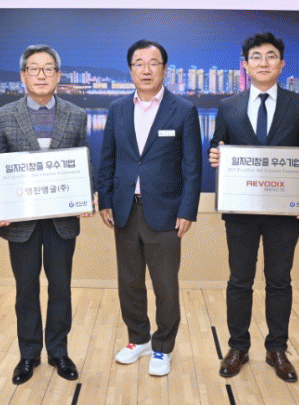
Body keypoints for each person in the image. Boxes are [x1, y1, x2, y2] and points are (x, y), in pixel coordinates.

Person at [208, 32, 299, 382]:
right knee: (239, 280)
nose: (264, 62)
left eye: (271, 56)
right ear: (246, 65)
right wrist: (215, 156)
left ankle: (277, 349)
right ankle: (237, 347)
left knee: (279, 281)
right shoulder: (228, 105)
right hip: (241, 211)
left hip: (284, 212)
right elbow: (218, 146)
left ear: (282, 64)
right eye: (256, 56)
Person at [0, 44, 93, 384]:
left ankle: (59, 352)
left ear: (58, 76)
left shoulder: (76, 114)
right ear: (23, 75)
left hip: (62, 220)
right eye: (34, 68)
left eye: (49, 69)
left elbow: (82, 160)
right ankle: (29, 354)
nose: (42, 75)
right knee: (26, 290)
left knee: (61, 288)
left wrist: (86, 196)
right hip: (21, 221)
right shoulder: (3, 115)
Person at [98, 39, 202, 376]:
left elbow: (192, 167)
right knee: (129, 282)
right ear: (130, 70)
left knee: (165, 285)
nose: (146, 69)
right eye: (139, 63)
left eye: (153, 63)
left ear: (164, 69)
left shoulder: (183, 110)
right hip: (125, 209)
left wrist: (187, 210)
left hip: (166, 212)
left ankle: (163, 347)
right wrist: (105, 200)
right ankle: (138, 339)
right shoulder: (117, 109)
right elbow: (108, 158)